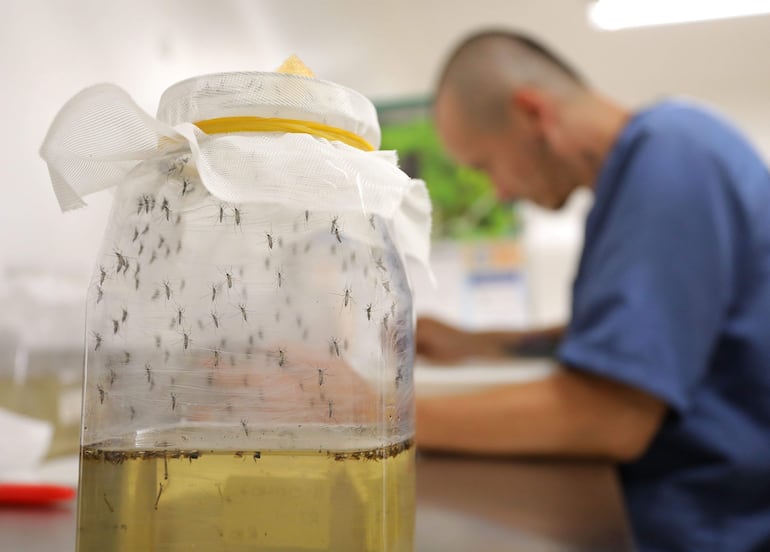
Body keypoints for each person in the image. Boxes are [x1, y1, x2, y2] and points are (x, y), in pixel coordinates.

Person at [416, 29, 770, 552]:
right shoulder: (648, 165)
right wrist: (482, 343)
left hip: (709, 526)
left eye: (487, 165)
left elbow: (611, 414)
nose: (502, 191)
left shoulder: (670, 155)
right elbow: (617, 339)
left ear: (532, 113)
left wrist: (387, 416)